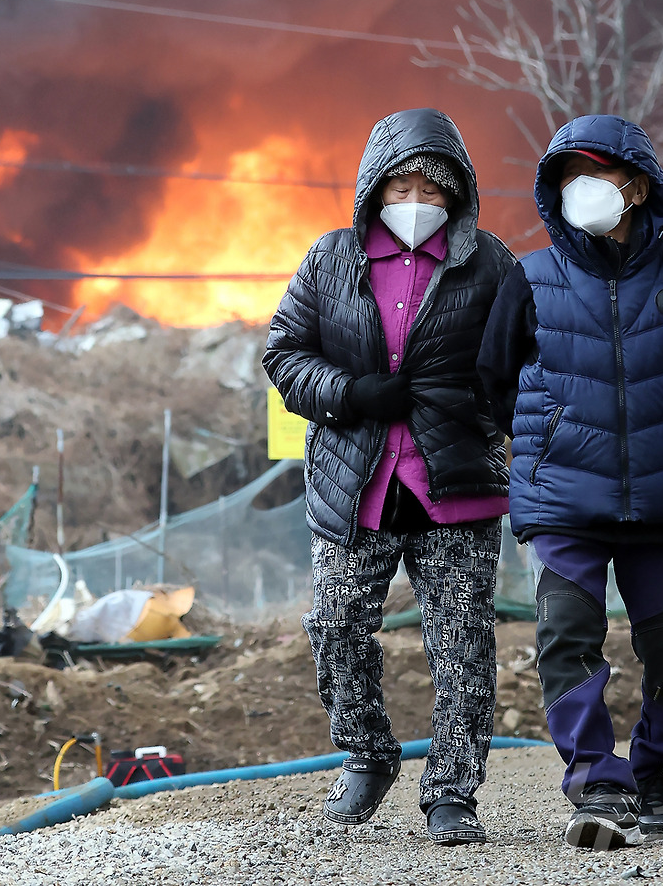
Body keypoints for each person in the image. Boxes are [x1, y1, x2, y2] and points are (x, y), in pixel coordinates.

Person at [263, 108, 515, 844]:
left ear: (456, 196)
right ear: (374, 187)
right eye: (400, 184)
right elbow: (285, 355)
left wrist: (489, 414)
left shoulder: (490, 264)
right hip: (355, 484)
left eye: (431, 190)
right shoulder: (330, 258)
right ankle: (368, 753)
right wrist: (349, 392)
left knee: (462, 641)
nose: (415, 200)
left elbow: (520, 364)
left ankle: (452, 792)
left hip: (457, 486)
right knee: (337, 626)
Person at [478, 114, 663, 852]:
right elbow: (493, 382)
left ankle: (657, 772)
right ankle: (598, 779)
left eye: (597, 172)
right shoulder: (531, 276)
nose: (580, 189)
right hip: (562, 501)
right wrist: (550, 440)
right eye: (566, 175)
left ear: (638, 186)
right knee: (567, 638)